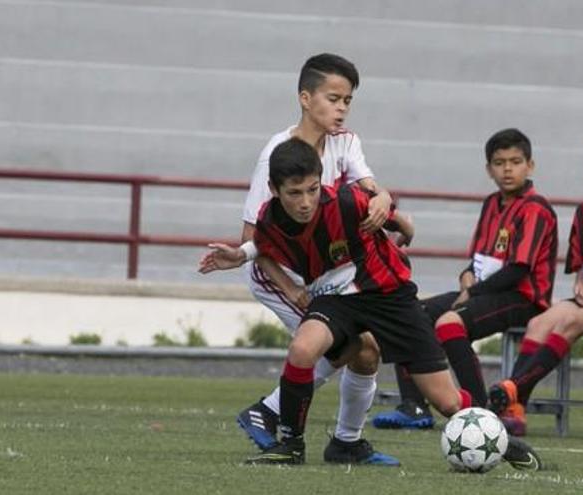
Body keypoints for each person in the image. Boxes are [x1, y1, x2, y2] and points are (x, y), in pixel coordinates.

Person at [209, 138, 543, 469]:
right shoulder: (271, 217)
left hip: (389, 296)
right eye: (295, 193)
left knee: (447, 400)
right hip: (335, 300)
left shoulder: (345, 201)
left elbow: (386, 209)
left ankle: (498, 437)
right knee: (302, 349)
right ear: (274, 189)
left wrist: (403, 224)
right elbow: (262, 244)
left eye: (312, 189)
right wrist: (240, 255)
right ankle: (291, 444)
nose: (306, 202)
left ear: (320, 179)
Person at [198, 53, 397, 465]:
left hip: (324, 274)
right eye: (333, 98)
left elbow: (370, 185)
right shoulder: (277, 154)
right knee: (341, 346)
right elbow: (254, 238)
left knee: (367, 350)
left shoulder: (345, 142)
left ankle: (344, 441)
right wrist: (292, 289)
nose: (341, 108)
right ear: (306, 98)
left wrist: (384, 198)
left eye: (347, 101)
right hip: (281, 272)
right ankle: (275, 414)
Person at [371, 129, 558, 435]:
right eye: (499, 163)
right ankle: (414, 406)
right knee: (409, 313)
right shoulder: (491, 204)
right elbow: (480, 260)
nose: (507, 169)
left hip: (522, 299)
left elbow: (518, 270)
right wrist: (466, 276)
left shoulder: (535, 208)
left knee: (449, 324)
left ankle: (481, 413)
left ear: (530, 166)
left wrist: (471, 291)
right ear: (489, 169)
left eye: (515, 161)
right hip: (482, 293)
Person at [481, 129, 583, 435]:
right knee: (540, 323)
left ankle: (513, 387)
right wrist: (581, 286)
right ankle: (516, 409)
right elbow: (580, 267)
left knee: (572, 323)